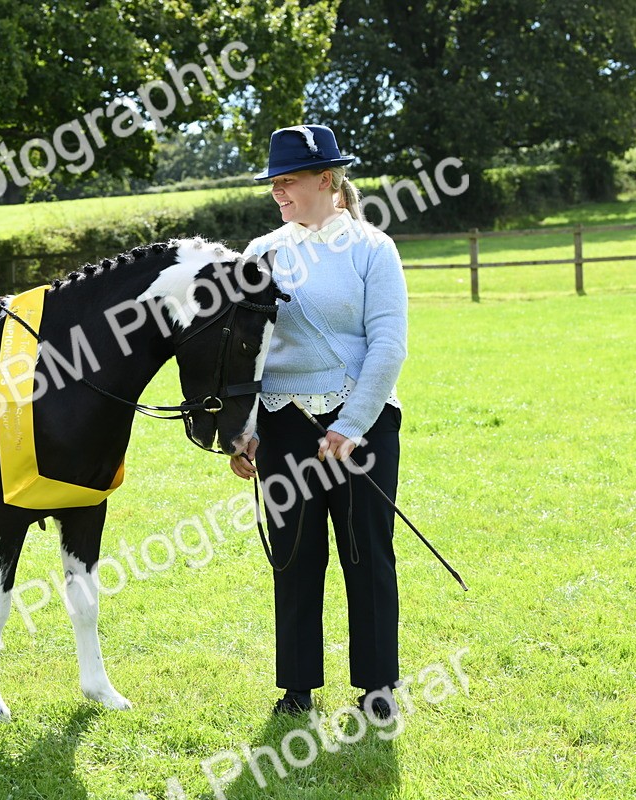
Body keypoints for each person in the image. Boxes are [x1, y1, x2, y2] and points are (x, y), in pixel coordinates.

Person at [229, 124, 408, 720]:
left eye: (289, 182)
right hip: (283, 426)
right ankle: (298, 686)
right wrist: (246, 429)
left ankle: (378, 687)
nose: (279, 194)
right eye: (274, 185)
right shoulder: (260, 252)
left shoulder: (372, 248)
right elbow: (248, 354)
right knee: (295, 557)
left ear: (327, 180)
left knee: (367, 554)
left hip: (361, 428)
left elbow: (388, 346)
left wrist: (352, 423)